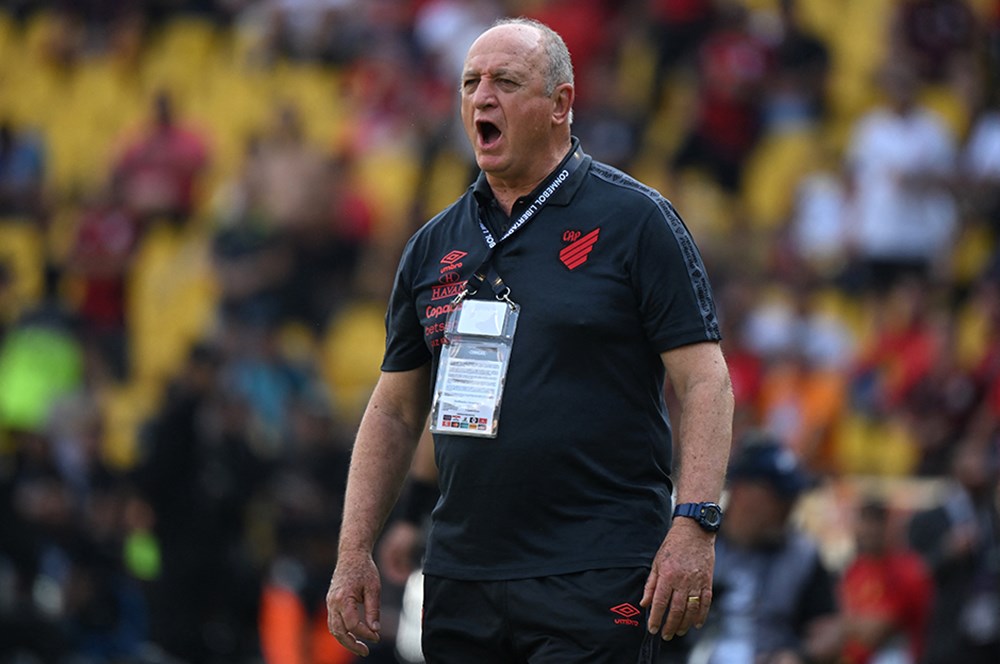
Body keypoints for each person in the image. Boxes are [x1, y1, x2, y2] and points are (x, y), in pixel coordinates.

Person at [325, 17, 733, 664]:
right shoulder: (432, 246)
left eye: (506, 82)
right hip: (462, 573)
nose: (482, 97)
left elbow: (705, 379)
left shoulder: (636, 220)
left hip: (597, 566)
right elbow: (396, 410)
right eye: (470, 83)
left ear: (560, 104)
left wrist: (695, 522)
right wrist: (353, 551)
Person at [683, 435, 841, 664]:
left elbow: (829, 629)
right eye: (779, 497)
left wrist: (798, 656)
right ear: (741, 492)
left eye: (792, 498)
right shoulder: (695, 542)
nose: (788, 509)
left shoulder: (802, 554)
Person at [907, 440, 1000, 664]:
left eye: (983, 457)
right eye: (972, 456)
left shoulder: (991, 514)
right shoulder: (928, 520)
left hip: (990, 636)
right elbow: (913, 573)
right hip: (947, 636)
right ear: (955, 464)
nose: (980, 464)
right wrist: (946, 551)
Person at [840, 498, 933, 664]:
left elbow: (873, 634)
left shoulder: (908, 570)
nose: (867, 531)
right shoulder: (855, 568)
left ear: (887, 527)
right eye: (864, 522)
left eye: (874, 523)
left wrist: (842, 627)